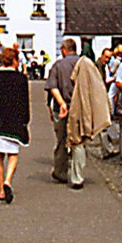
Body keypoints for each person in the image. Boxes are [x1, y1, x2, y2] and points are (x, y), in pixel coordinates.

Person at [0, 47, 30, 203]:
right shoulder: (21, 79)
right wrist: (25, 120)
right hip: (14, 120)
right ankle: (8, 181)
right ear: (15, 60)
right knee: (13, 154)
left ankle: (1, 188)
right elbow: (24, 102)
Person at [66, 53, 112, 179]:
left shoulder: (67, 67)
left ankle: (71, 175)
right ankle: (77, 177)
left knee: (75, 143)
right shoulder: (91, 71)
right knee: (79, 143)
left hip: (68, 108)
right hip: (78, 110)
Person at [45, 38, 82, 188]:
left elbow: (52, 87)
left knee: (61, 140)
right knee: (79, 141)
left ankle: (60, 172)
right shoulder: (84, 63)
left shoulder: (58, 65)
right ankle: (77, 176)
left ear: (64, 50)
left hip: (62, 106)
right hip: (80, 107)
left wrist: (59, 103)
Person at [95, 48, 118, 158]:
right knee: (101, 125)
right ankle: (107, 150)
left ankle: (106, 149)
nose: (108, 60)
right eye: (106, 57)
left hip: (99, 97)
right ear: (102, 55)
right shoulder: (97, 66)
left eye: (109, 58)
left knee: (100, 125)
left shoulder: (102, 66)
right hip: (97, 98)